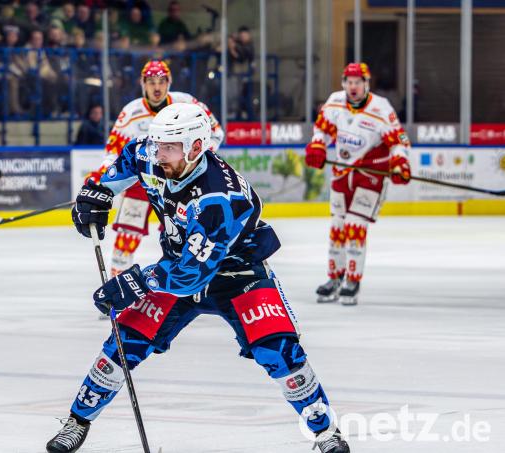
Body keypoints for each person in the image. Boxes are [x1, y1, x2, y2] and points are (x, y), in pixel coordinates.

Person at [46, 103, 350, 453]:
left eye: (169, 147)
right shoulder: (154, 155)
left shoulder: (218, 199)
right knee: (125, 341)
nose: (159, 154)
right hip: (176, 266)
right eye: (158, 144)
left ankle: (326, 432)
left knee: (279, 350)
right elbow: (130, 157)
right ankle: (77, 421)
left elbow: (190, 277)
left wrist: (135, 282)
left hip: (236, 273)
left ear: (196, 147)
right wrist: (99, 191)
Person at [86, 60, 224, 278]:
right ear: (143, 84)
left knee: (181, 237)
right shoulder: (130, 112)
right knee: (126, 237)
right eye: (151, 82)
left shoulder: (187, 103)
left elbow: (215, 132)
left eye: (161, 81)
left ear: (170, 82)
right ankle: (118, 284)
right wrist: (101, 180)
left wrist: (196, 159)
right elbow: (113, 152)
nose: (157, 87)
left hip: (180, 182)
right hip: (142, 182)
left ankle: (183, 284)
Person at [304, 63, 411, 306]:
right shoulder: (334, 102)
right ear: (344, 83)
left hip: (370, 173)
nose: (353, 87)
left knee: (354, 225)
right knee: (337, 227)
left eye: (358, 82)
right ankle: (334, 277)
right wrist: (318, 145)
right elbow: (322, 130)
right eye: (349, 82)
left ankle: (352, 280)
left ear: (366, 84)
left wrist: (400, 163)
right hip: (342, 174)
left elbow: (399, 140)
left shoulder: (381, 108)